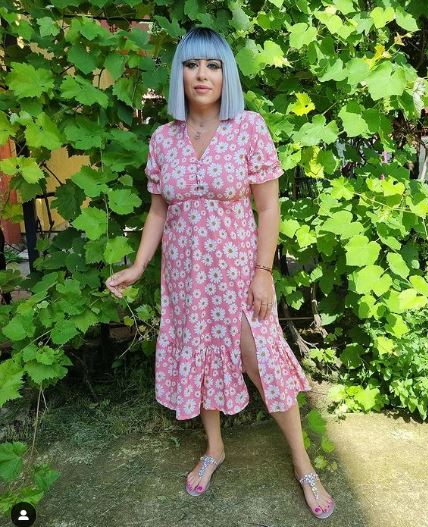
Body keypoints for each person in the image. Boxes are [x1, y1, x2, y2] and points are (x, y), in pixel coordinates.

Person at [105, 26, 335, 519]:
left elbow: (268, 209)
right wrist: (139, 264)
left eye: (213, 65)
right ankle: (214, 448)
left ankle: (303, 463)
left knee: (262, 362)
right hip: (185, 277)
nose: (202, 75)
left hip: (238, 274)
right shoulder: (163, 139)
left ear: (226, 73)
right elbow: (159, 210)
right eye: (192, 65)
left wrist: (263, 272)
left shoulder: (248, 127)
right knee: (201, 355)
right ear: (179, 74)